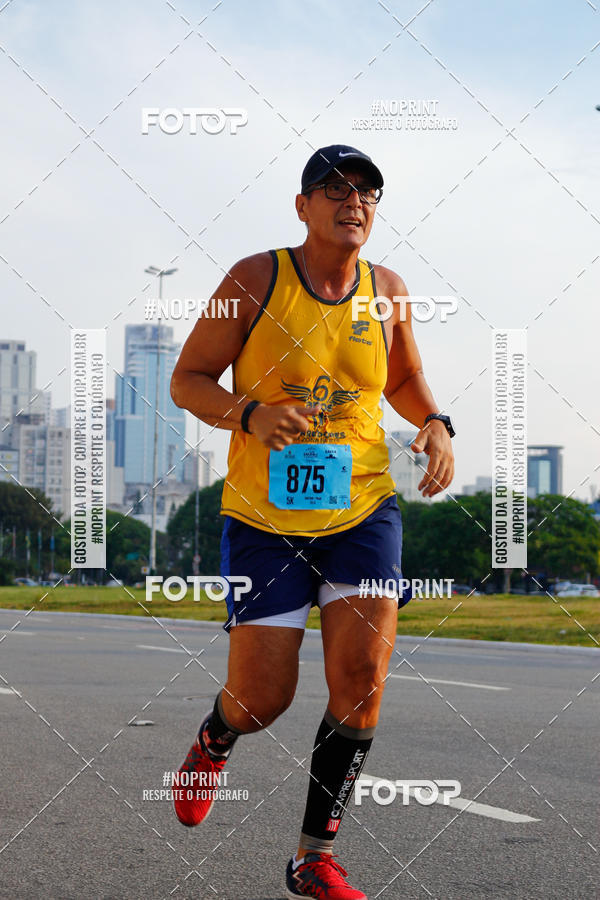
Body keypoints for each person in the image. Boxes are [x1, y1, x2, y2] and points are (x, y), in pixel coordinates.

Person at [170, 144, 455, 899]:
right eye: (333, 188)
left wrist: (436, 423)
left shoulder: (387, 289)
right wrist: (251, 413)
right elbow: (187, 380)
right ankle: (216, 737)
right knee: (265, 698)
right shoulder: (254, 278)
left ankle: (313, 857)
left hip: (363, 506)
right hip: (264, 519)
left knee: (362, 680)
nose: (352, 200)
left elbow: (403, 378)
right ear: (302, 206)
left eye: (366, 191)